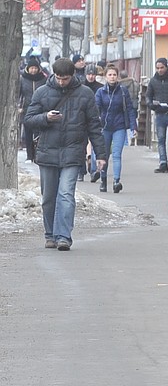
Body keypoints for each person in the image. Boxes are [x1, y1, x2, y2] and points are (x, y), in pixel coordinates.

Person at [23, 57, 107, 251]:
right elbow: (28, 119)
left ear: (73, 76)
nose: (62, 82)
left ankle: (64, 236)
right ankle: (50, 234)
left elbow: (94, 126)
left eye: (66, 78)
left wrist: (101, 155)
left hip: (73, 151)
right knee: (48, 197)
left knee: (66, 194)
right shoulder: (42, 92)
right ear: (54, 74)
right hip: (47, 152)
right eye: (59, 78)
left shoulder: (85, 94)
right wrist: (46, 117)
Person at [94, 66, 137, 194]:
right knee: (104, 155)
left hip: (119, 126)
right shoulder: (100, 92)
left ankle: (116, 181)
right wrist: (96, 124)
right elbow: (96, 109)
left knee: (117, 154)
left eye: (114, 75)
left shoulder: (123, 91)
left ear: (117, 76)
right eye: (110, 75)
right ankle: (103, 180)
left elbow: (130, 109)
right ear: (105, 77)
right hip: (105, 127)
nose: (112, 77)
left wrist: (133, 127)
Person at [19, 57, 48, 162]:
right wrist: (19, 106)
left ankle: (37, 155)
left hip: (40, 109)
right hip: (27, 109)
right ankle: (29, 155)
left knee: (38, 133)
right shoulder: (23, 78)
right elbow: (19, 94)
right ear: (28, 68)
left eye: (35, 68)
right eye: (31, 68)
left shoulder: (43, 79)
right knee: (28, 133)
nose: (33, 70)